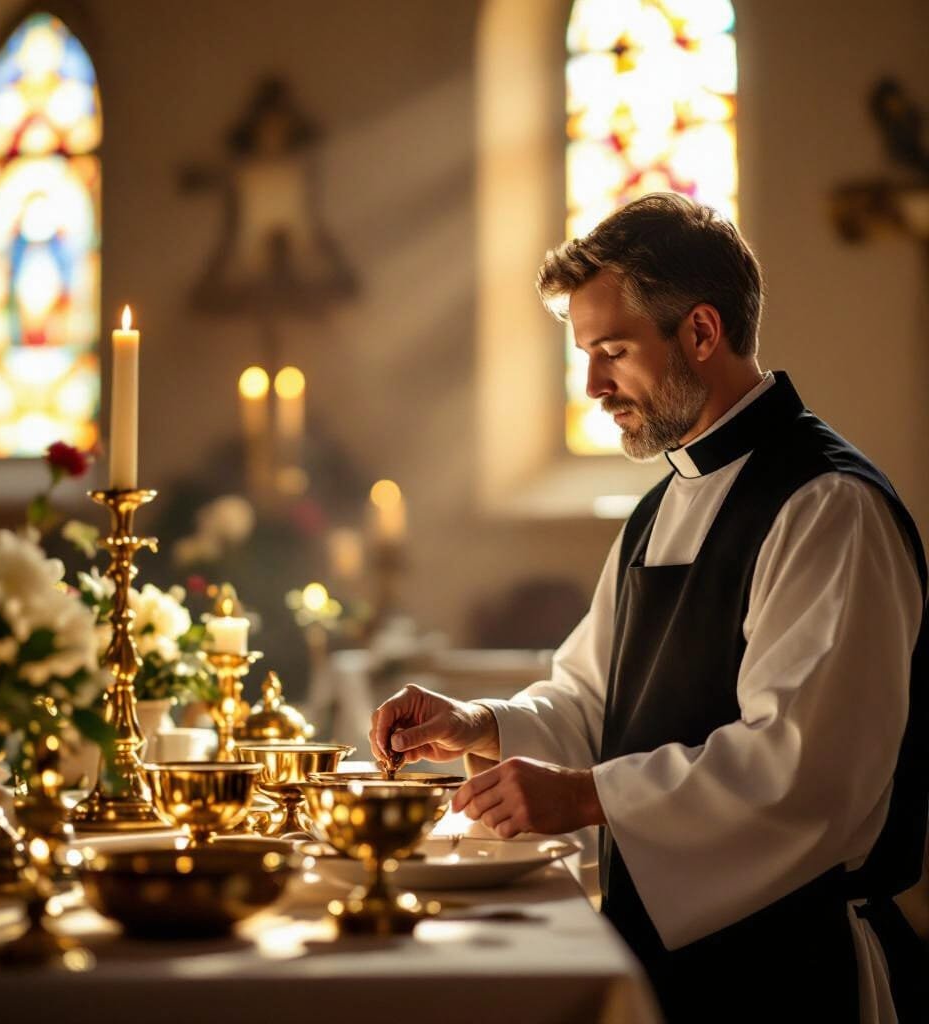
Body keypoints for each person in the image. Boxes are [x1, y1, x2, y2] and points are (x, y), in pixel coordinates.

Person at [369, 194, 928, 1023]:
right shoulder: (662, 504)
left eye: (613, 351)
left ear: (701, 332)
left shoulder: (825, 504)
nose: (593, 386)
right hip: (671, 956)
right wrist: (481, 723)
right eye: (587, 355)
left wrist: (588, 798)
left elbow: (802, 769)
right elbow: (595, 701)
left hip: (791, 969)